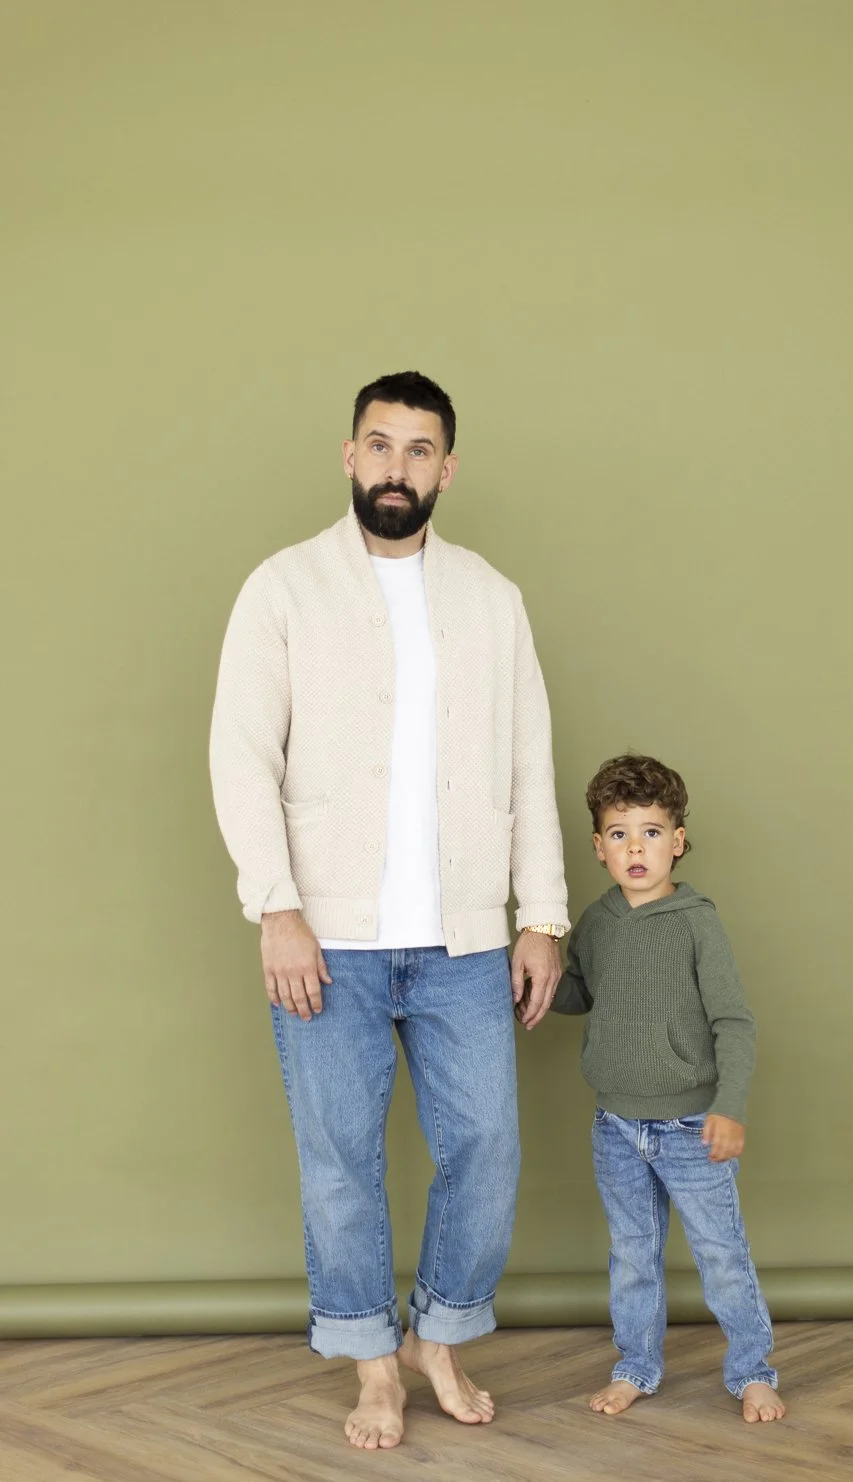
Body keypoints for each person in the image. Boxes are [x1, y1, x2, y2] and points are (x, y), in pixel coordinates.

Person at [209, 370, 568, 1451]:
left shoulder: (490, 599)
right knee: (339, 1163)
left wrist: (541, 913)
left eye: (419, 451)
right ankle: (374, 1365)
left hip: (462, 940)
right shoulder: (283, 589)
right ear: (349, 456)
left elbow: (527, 762)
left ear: (445, 469)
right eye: (379, 445)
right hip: (329, 941)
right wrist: (275, 907)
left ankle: (438, 1339)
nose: (396, 468)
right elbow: (240, 759)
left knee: (488, 1149)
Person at [552, 754, 785, 1423]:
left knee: (721, 1254)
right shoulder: (597, 923)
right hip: (615, 1127)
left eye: (651, 832)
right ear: (598, 847)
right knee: (632, 1255)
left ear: (677, 841)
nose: (636, 848)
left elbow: (734, 1022)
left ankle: (752, 1371)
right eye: (620, 833)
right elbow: (581, 994)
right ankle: (637, 1367)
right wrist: (526, 983)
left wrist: (729, 1108)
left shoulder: (695, 922)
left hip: (691, 1127)